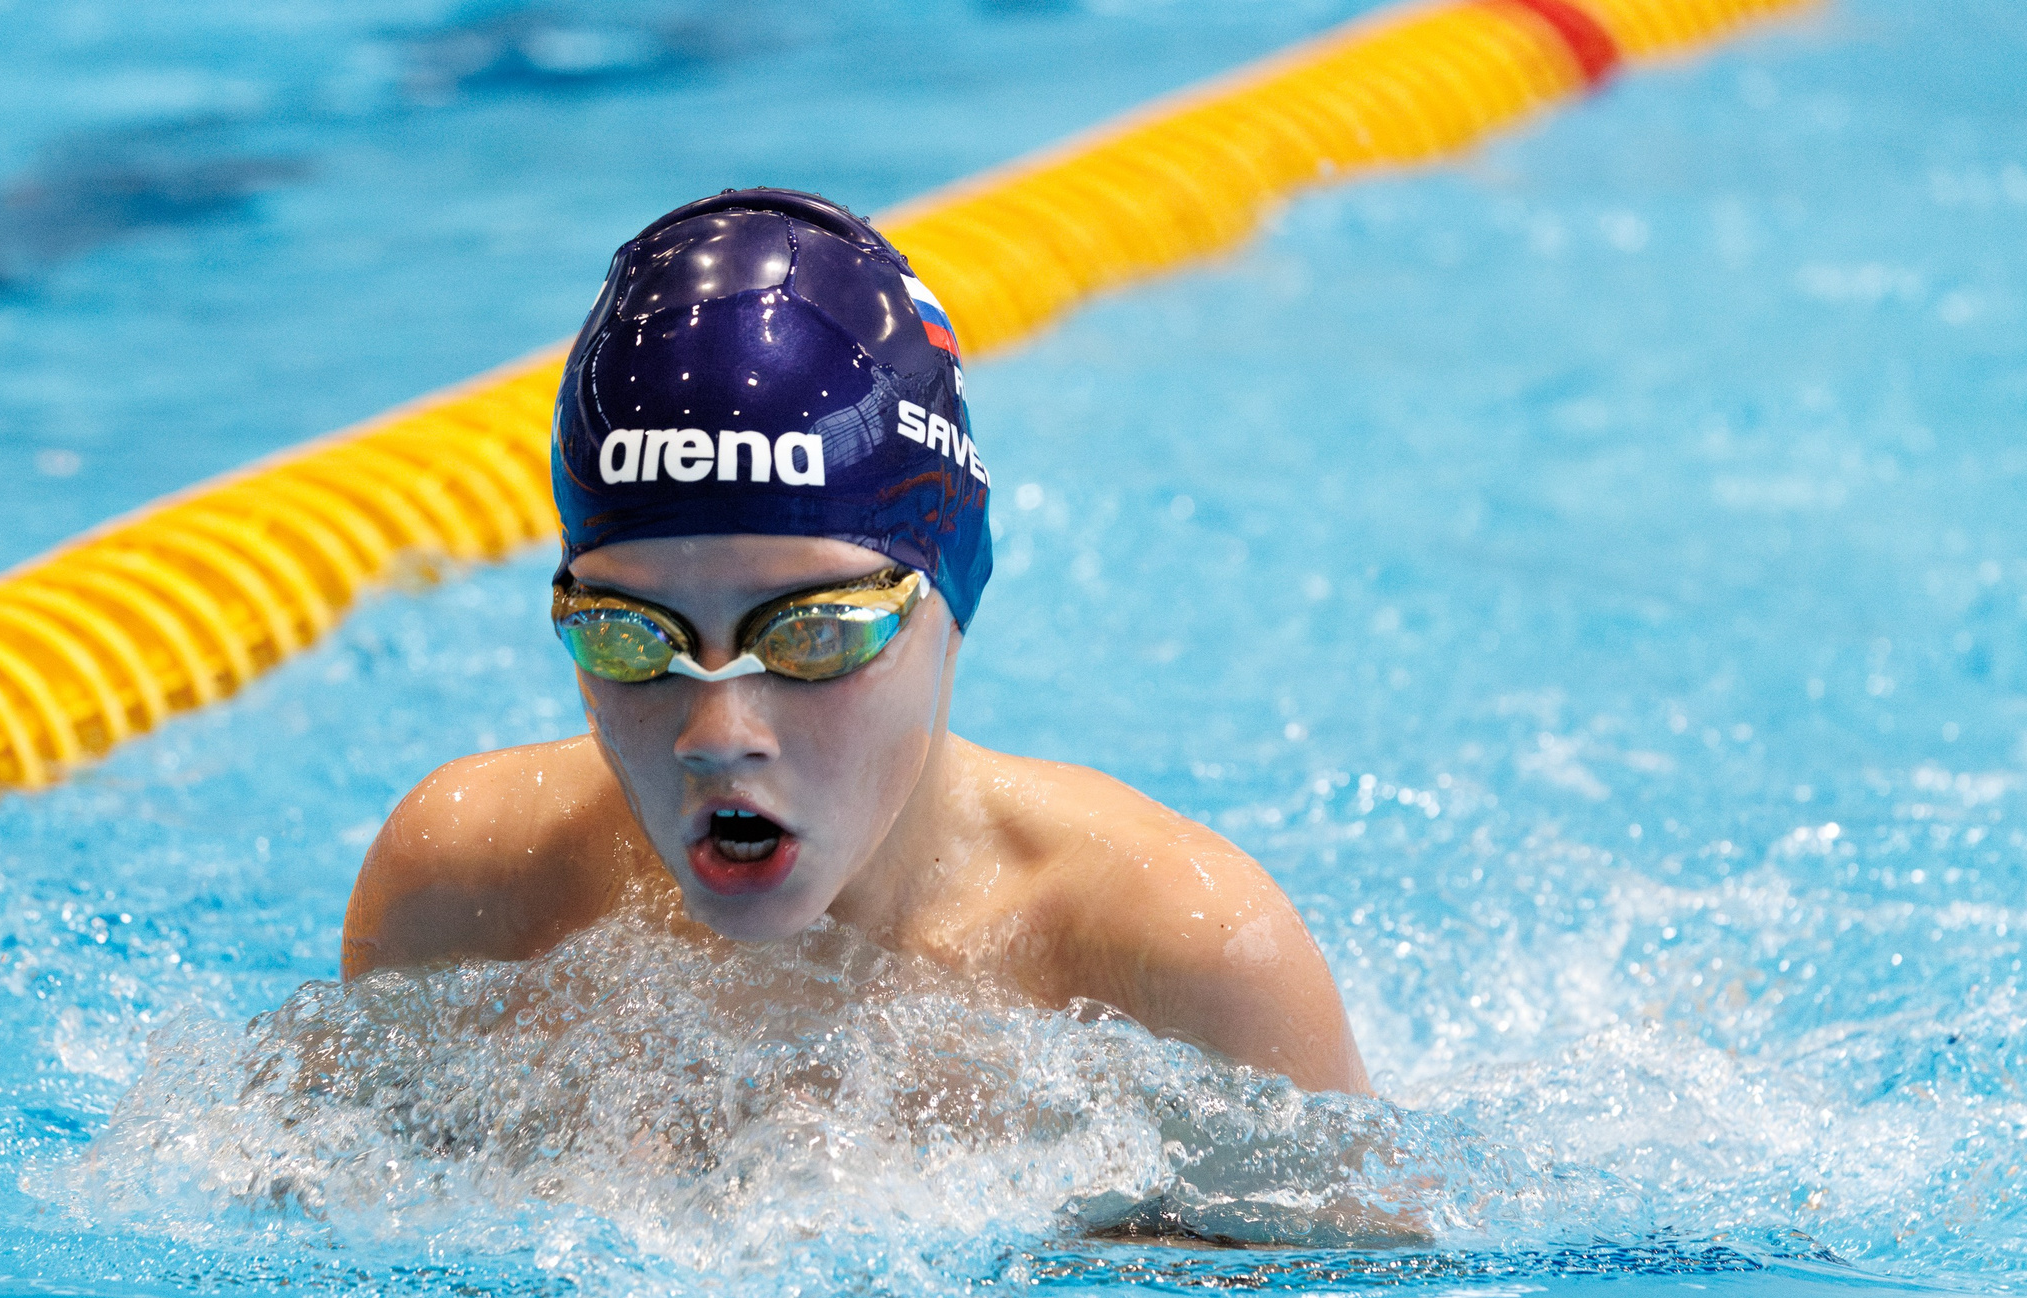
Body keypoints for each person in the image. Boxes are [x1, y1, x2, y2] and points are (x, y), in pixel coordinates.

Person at [343, 188, 1370, 1098]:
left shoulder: (1178, 962)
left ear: (948, 600)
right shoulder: (471, 892)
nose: (717, 729)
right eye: (628, 636)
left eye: (813, 633)